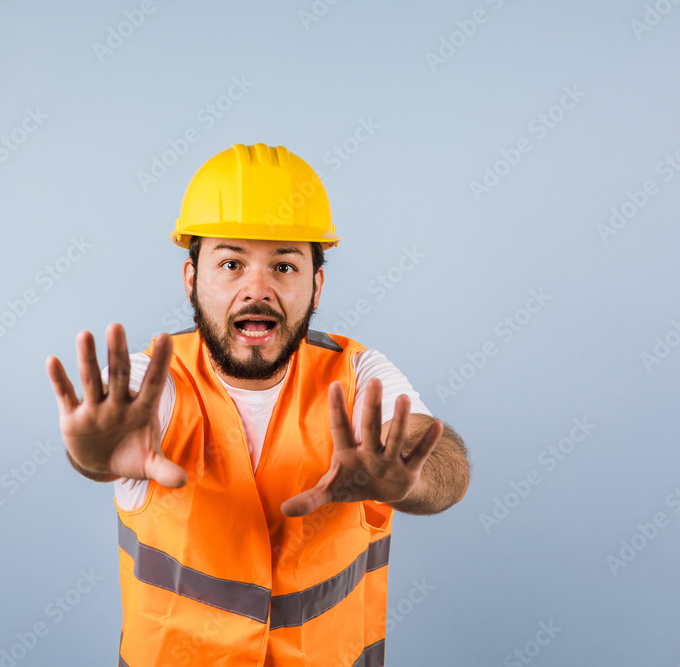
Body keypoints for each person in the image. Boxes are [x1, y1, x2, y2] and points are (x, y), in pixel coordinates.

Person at [45, 143, 470, 666]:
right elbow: (108, 430)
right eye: (230, 262)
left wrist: (410, 474)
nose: (257, 289)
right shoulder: (154, 384)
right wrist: (94, 453)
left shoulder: (358, 375)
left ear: (316, 286)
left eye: (285, 266)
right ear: (191, 280)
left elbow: (439, 457)